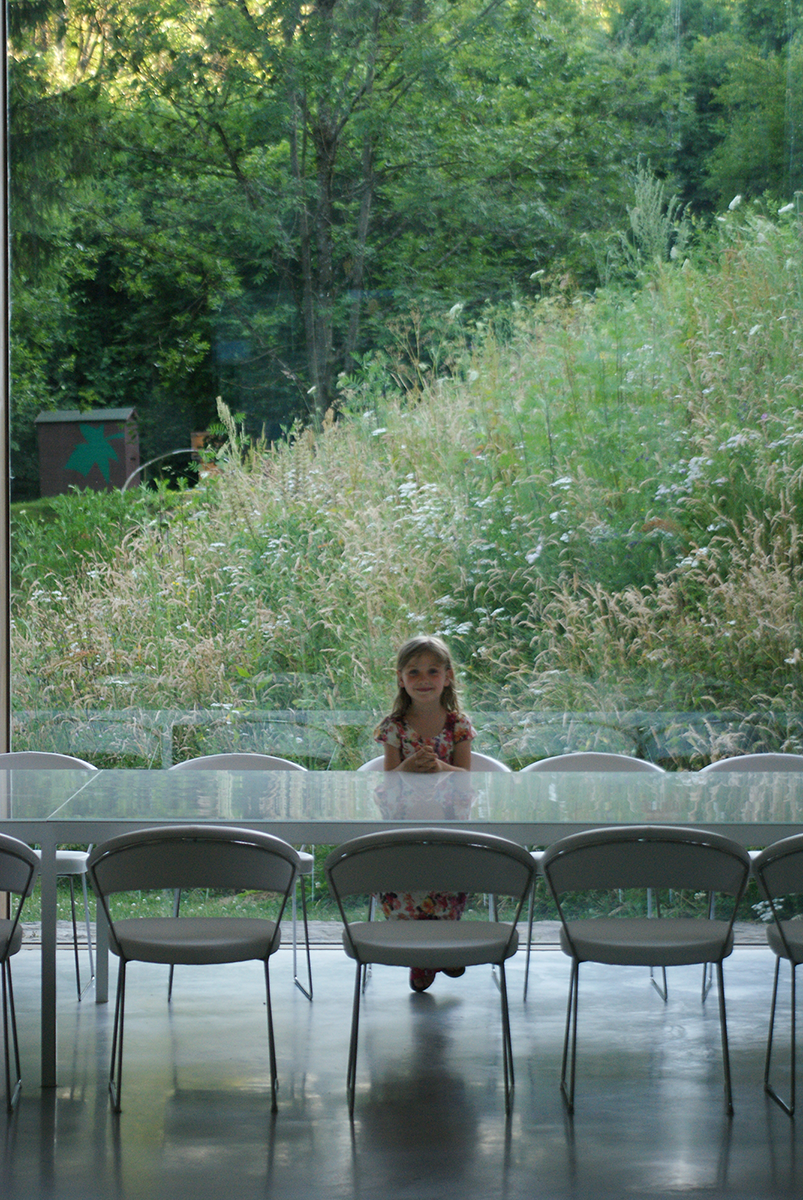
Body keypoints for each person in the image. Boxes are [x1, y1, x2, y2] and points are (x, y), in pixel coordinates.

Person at [373, 635, 476, 992]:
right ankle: (421, 957)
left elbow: (466, 779)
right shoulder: (394, 726)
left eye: (433, 671)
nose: (423, 679)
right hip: (404, 825)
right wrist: (408, 767)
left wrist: (440, 766)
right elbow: (388, 780)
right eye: (414, 672)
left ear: (447, 677)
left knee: (446, 881)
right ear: (401, 678)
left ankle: (443, 948)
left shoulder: (458, 725)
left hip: (448, 823)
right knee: (406, 880)